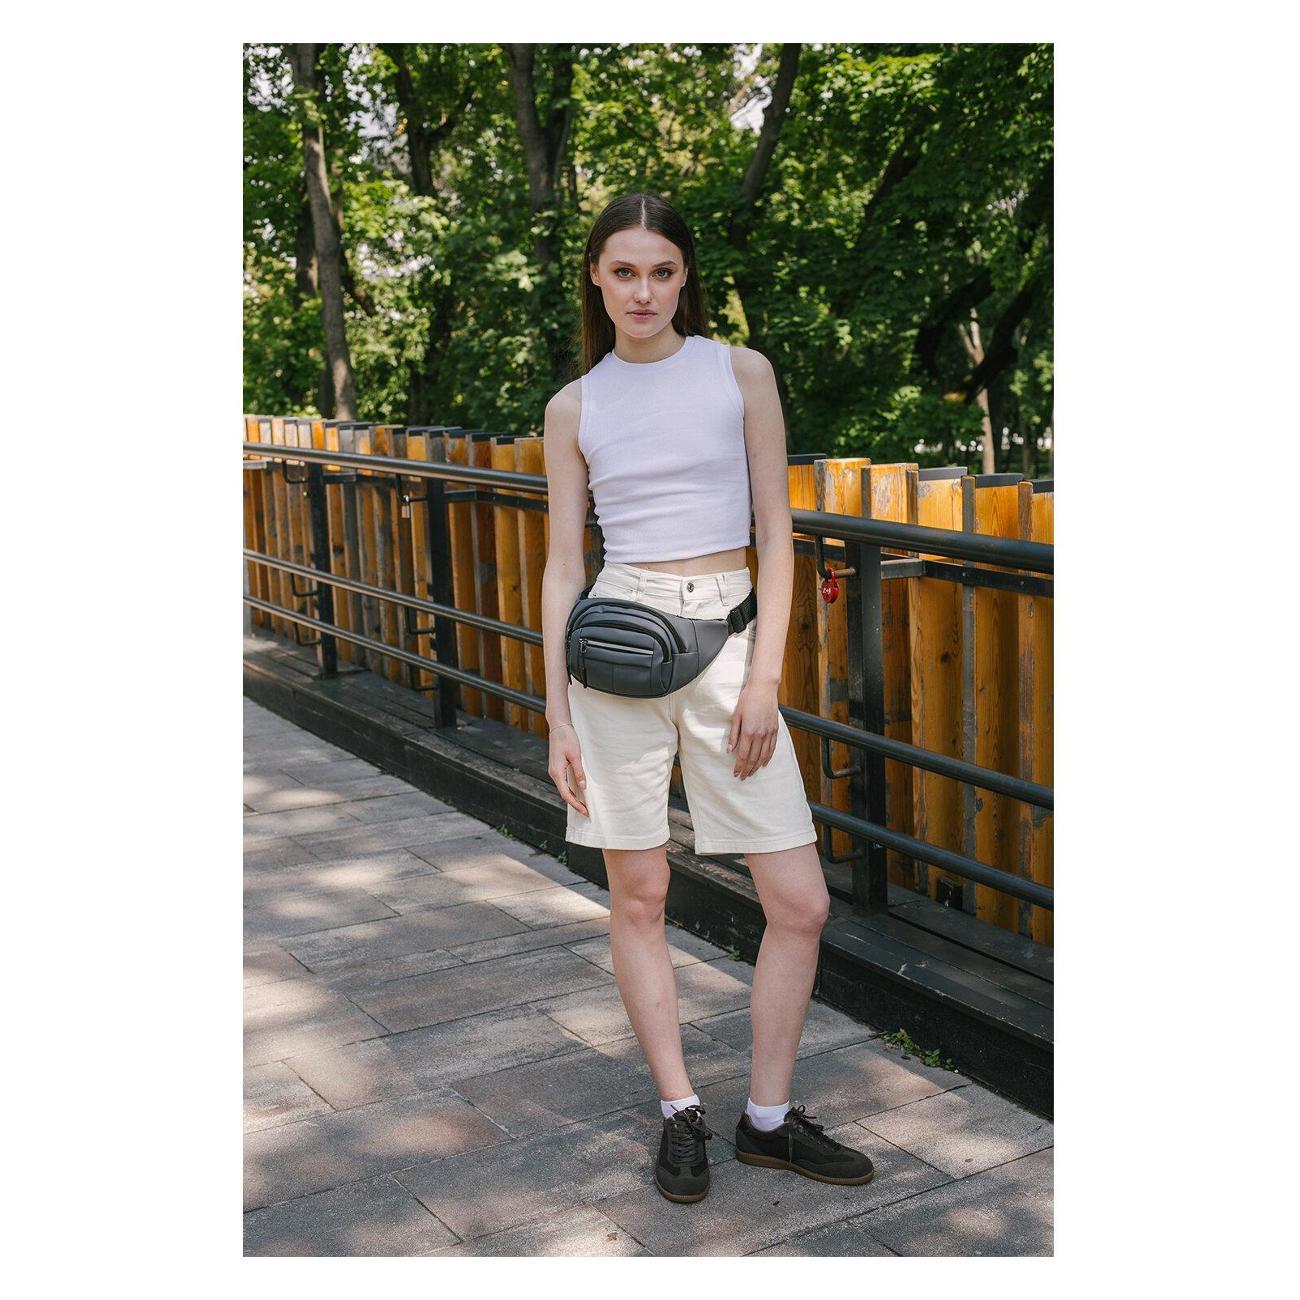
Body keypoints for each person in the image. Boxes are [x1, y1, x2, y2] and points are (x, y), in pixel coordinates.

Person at [540, 192, 874, 1204]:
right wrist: (554, 712)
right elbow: (564, 565)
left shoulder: (740, 373)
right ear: (597, 277)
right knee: (639, 895)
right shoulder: (574, 406)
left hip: (731, 645)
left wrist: (765, 678)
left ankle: (768, 1119)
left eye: (662, 271)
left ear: (685, 277)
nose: (643, 291)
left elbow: (777, 533)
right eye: (624, 271)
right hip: (616, 652)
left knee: (800, 902)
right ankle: (679, 1109)